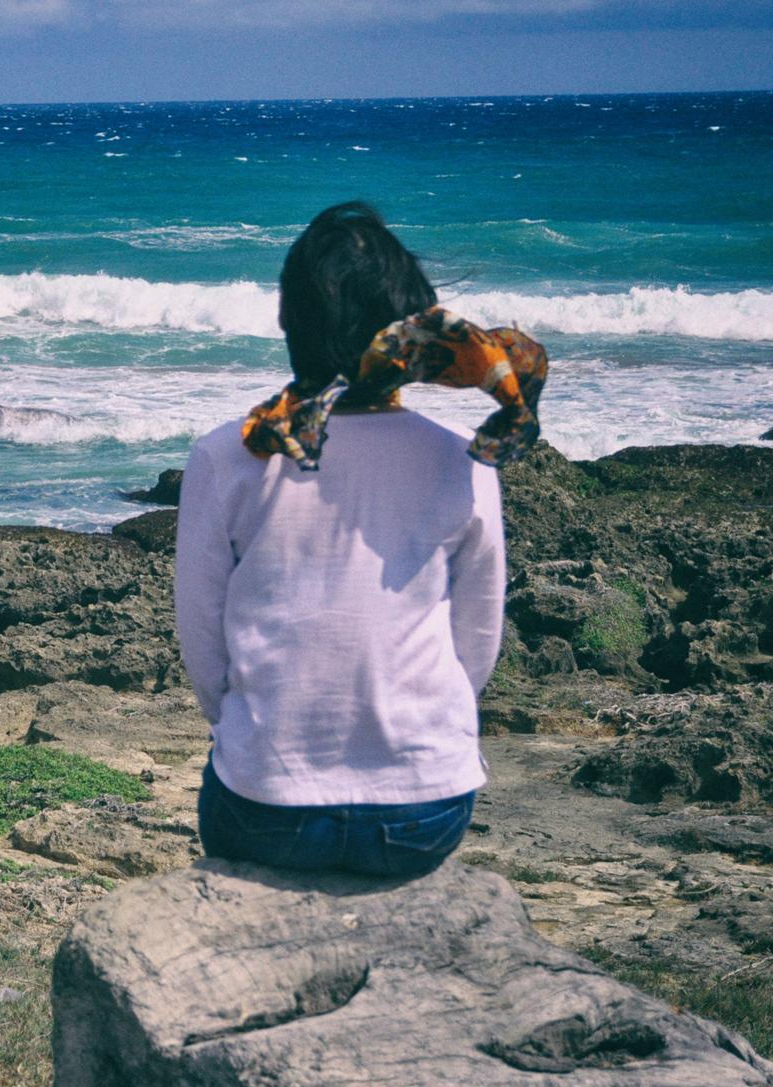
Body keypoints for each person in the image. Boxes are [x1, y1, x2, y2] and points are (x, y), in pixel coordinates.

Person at [174, 201, 518, 878]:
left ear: (287, 322)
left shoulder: (228, 457)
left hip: (268, 810)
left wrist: (253, 729)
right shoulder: (465, 460)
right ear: (415, 338)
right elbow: (475, 646)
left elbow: (202, 643)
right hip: (426, 810)